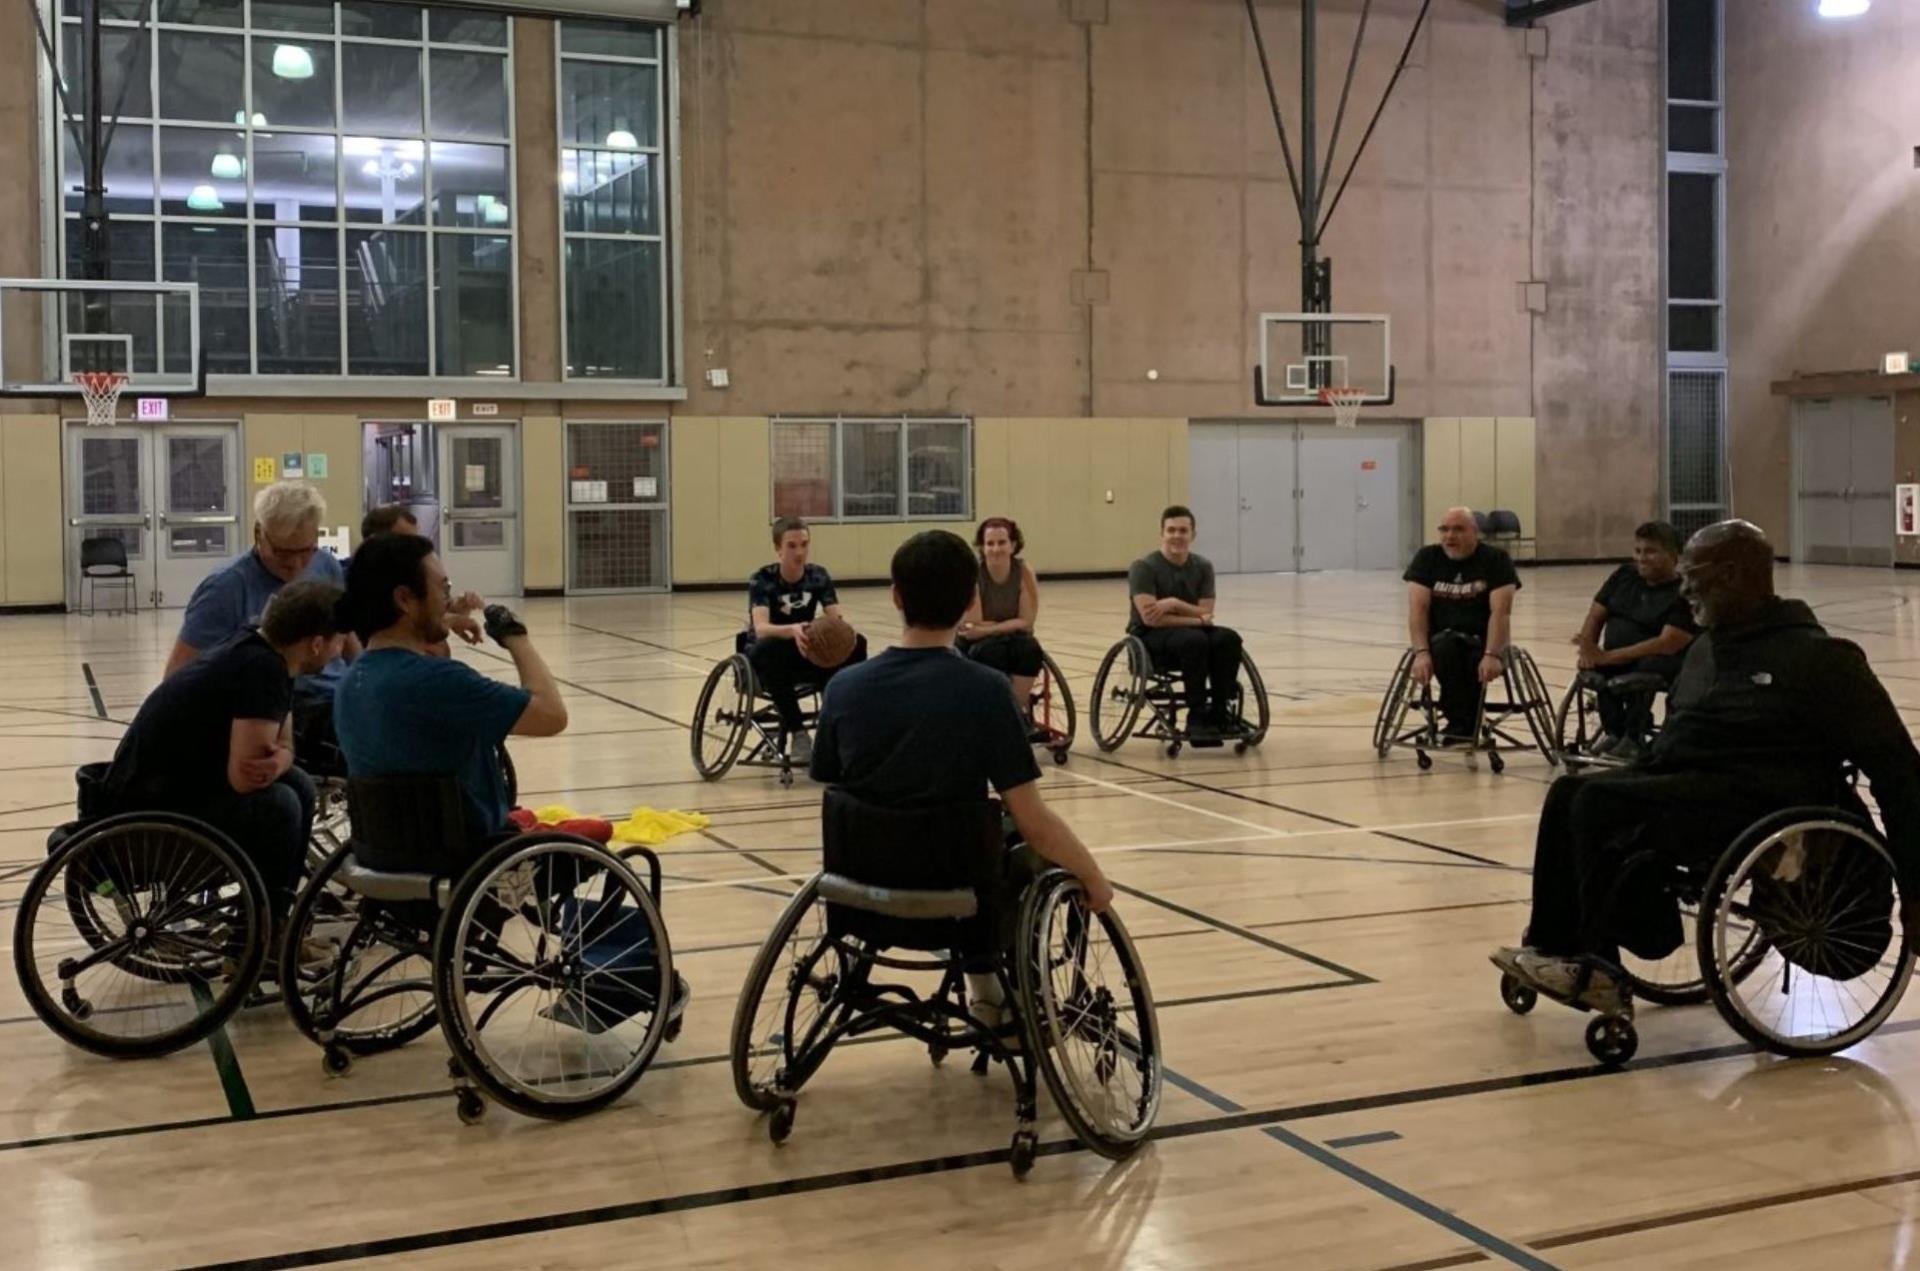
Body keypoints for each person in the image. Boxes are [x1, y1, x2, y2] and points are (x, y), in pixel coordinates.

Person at [1493, 520, 1920, 1012]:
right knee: (1569, 791)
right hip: (1691, 788)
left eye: (1693, 575)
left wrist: (1914, 887)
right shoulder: (1708, 649)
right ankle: (1555, 943)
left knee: (1598, 802)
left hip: (1761, 807)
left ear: (1734, 575)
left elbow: (1899, 774)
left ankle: (1598, 967)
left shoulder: (1822, 660)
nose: (1684, 588)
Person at [811, 530, 1114, 1030]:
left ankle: (985, 990)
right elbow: (1035, 820)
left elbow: (831, 784)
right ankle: (994, 989)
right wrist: (1094, 879)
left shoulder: (844, 686)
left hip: (857, 886)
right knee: (1023, 849)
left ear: (896, 596)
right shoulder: (988, 692)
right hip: (959, 896)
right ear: (971, 600)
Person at [101, 580, 350, 912]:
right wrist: (280, 760)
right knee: (280, 806)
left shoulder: (263, 649)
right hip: (152, 803)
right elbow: (247, 777)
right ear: (317, 644)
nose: (341, 651)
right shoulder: (261, 671)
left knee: (299, 785)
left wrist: (283, 758)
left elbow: (283, 743)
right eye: (340, 641)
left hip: (170, 785)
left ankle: (275, 916)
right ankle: (260, 930)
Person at [334, 533, 567, 841]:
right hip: (464, 852)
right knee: (594, 834)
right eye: (443, 588)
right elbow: (552, 715)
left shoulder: (350, 682)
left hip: (384, 849)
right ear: (404, 599)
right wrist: (515, 637)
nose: (446, 599)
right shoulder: (438, 681)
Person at [166, 481, 360, 771]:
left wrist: (368, 675)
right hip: (281, 707)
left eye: (306, 551)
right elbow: (178, 677)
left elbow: (347, 638)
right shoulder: (225, 588)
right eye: (283, 553)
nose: (296, 565)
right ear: (259, 534)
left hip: (335, 695)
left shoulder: (327, 566)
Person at [746, 516, 868, 765]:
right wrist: (793, 629)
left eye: (804, 544)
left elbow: (836, 618)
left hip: (807, 651)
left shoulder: (818, 576)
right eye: (791, 546)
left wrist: (841, 633)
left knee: (857, 643)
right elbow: (761, 628)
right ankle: (798, 732)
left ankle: (835, 719)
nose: (799, 552)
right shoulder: (763, 579)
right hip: (774, 650)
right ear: (778, 548)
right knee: (768, 649)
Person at [1570, 520, 1697, 757]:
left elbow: (1667, 642)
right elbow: (1596, 614)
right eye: (1638, 551)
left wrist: (1608, 657)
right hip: (1617, 655)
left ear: (1674, 555)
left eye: (1650, 552)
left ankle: (1633, 736)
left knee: (1645, 669)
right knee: (1598, 671)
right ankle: (1614, 733)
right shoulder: (1624, 575)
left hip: (1662, 659)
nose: (1641, 558)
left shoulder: (1685, 592)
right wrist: (1588, 648)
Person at [1403, 507, 1520, 742]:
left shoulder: (1496, 560)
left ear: (1475, 532)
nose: (1449, 536)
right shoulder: (1427, 558)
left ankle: (1463, 723)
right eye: (1444, 529)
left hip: (1481, 641)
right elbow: (1418, 609)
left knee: (1470, 657)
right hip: (1440, 642)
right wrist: (1421, 652)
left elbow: (1501, 612)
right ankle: (1464, 722)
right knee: (1447, 648)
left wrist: (1493, 654)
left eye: (1458, 529)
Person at [1127, 506, 1245, 739]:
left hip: (1192, 630)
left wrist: (1172, 603)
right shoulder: (1144, 567)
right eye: (1171, 530)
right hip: (1150, 636)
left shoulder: (1203, 567)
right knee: (1194, 640)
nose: (1177, 536)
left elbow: (1208, 612)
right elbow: (1150, 619)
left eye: (1183, 530)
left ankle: (1220, 711)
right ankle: (1197, 715)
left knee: (1229, 638)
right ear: (1162, 533)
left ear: (1193, 535)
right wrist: (1197, 619)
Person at [359, 503, 483, 653]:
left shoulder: (412, 573)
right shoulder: (361, 584)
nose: (415, 549)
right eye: (405, 542)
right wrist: (448, 620)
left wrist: (456, 607)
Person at [958, 517, 1043, 721]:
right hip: (978, 642)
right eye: (990, 543)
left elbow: (1027, 621)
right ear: (982, 547)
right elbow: (972, 624)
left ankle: (1016, 711)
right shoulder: (974, 575)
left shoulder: (1023, 572)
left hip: (1011, 637)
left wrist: (989, 627)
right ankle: (992, 714)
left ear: (1013, 545)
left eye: (1002, 543)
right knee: (989, 652)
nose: (996, 549)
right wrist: (1009, 624)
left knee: (1030, 650)